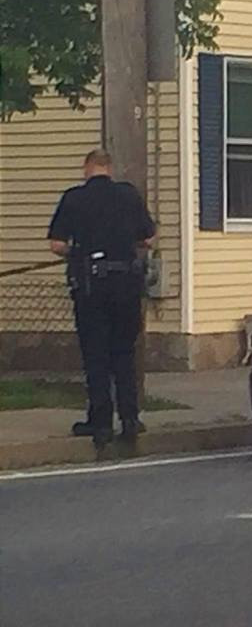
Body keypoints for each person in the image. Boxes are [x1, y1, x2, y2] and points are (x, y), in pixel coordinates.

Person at [48, 150, 156, 446]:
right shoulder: (128, 195)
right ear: (109, 168)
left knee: (96, 355)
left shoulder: (74, 198)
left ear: (87, 168)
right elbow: (147, 237)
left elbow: (57, 245)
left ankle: (101, 423)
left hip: (90, 286)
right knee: (123, 352)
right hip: (126, 285)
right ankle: (131, 418)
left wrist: (78, 252)